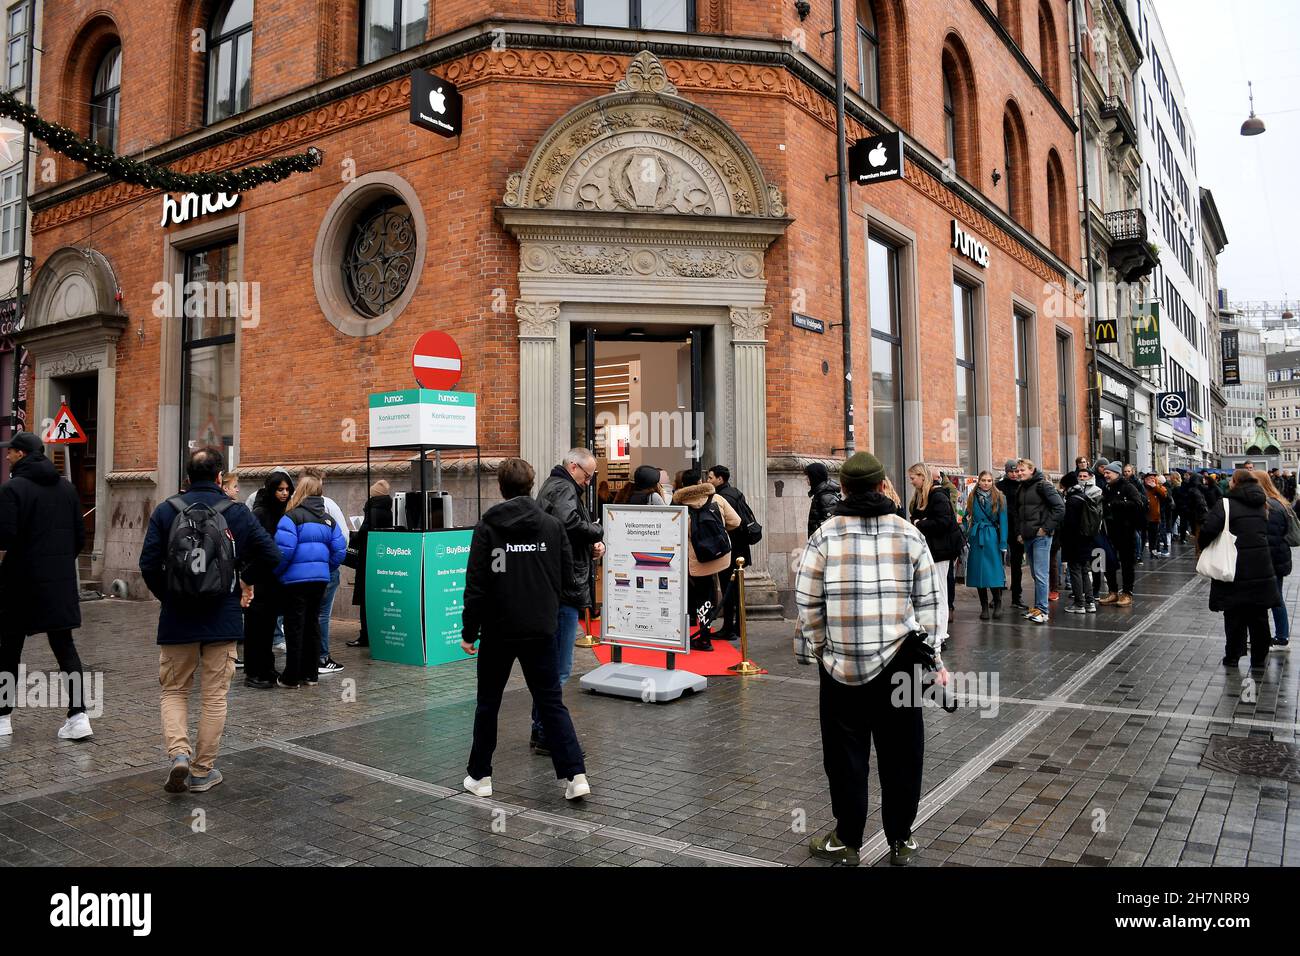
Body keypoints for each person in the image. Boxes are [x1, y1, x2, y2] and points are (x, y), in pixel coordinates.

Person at [795, 451, 946, 867]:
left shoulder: (826, 534)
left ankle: (847, 840)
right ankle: (902, 840)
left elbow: (807, 600)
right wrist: (932, 653)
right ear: (883, 486)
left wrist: (821, 646)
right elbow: (931, 601)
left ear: (842, 488)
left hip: (842, 665)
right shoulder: (908, 533)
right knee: (904, 753)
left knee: (845, 756)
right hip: (903, 661)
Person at [139, 447, 282, 792]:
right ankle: (203, 771)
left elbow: (147, 564)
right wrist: (244, 579)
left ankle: (178, 755)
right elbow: (272, 555)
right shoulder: (235, 513)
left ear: (186, 478)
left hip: (177, 619)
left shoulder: (166, 510)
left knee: (174, 690)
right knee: (214, 697)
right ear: (220, 477)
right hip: (223, 616)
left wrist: (169, 596)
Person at [461, 458, 590, 802]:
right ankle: (575, 775)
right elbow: (566, 576)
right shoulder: (551, 527)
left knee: (488, 703)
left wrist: (468, 632)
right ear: (531, 485)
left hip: (499, 629)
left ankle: (480, 776)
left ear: (500, 487)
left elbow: (476, 585)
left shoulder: (487, 528)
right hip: (540, 627)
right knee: (551, 701)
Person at [0, 432, 92, 740]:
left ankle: (2, 718)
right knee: (65, 648)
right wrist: (58, 563)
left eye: (10, 451)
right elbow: (80, 537)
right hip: (58, 584)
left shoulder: (12, 489)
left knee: (9, 650)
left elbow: (4, 539)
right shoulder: (67, 489)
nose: (7, 456)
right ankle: (79, 716)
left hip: (18, 584)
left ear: (23, 454)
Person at [534, 448, 604, 756]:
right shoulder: (563, 487)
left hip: (557, 582)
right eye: (587, 475)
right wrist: (598, 531)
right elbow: (570, 524)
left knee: (553, 666)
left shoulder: (555, 485)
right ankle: (546, 732)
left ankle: (541, 729)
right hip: (564, 587)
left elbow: (563, 534)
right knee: (559, 668)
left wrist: (587, 549)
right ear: (573, 466)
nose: (588, 482)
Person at [1199, 469, 1280, 670]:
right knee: (1259, 614)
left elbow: (1208, 529)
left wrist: (1204, 545)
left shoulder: (1226, 504)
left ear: (1234, 482)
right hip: (1260, 566)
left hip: (1232, 565)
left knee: (1234, 614)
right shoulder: (1263, 504)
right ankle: (1260, 657)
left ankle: (1233, 655)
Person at [273, 474, 347, 688]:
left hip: (295, 582)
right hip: (320, 581)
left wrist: (279, 572)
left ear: (301, 491)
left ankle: (291, 676)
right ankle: (310, 674)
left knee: (295, 626)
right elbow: (340, 551)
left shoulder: (292, 517)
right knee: (313, 624)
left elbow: (283, 552)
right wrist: (325, 568)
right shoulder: (328, 520)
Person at [673, 471, 741, 651]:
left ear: (682, 486)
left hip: (697, 559)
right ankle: (715, 630)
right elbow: (736, 521)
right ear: (699, 482)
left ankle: (704, 638)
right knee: (715, 593)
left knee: (703, 597)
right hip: (721, 555)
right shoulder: (716, 498)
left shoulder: (678, 506)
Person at [243, 470, 294, 687]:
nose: (284, 494)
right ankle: (254, 672)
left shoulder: (285, 512)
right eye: (279, 489)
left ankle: (267, 667)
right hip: (259, 577)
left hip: (274, 579)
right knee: (256, 628)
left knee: (268, 626)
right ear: (271, 490)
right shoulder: (260, 513)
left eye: (287, 489)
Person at [300, 467, 349, 675]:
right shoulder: (328, 505)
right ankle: (321, 657)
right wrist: (331, 564)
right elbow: (343, 539)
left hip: (300, 572)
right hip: (324, 570)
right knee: (321, 615)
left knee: (302, 615)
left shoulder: (293, 506)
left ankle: (304, 658)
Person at [907, 462, 962, 644]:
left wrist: (920, 523)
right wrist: (920, 520)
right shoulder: (927, 496)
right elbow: (915, 515)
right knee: (937, 591)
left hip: (942, 550)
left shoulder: (937, 496)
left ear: (922, 476)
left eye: (913, 478)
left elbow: (943, 522)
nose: (911, 482)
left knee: (940, 591)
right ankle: (938, 633)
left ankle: (940, 634)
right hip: (937, 549)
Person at [708, 464, 758, 642]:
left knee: (728, 589)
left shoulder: (720, 497)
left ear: (720, 479)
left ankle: (728, 628)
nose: (708, 480)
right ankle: (738, 627)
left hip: (730, 549)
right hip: (741, 549)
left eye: (711, 477)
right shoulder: (735, 492)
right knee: (737, 591)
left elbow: (726, 524)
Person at [1015, 459, 1065, 625]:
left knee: (1041, 573)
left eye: (1023, 470)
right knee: (1037, 574)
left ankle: (1043, 611)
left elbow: (1060, 508)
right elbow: (1018, 513)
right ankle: (1038, 608)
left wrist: (1046, 528)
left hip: (1041, 537)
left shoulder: (1043, 485)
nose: (1019, 473)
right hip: (1028, 536)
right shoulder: (1022, 487)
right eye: (1018, 470)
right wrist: (1020, 533)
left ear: (1032, 470)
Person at [346, 479, 393, 650]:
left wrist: (352, 536)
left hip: (367, 560)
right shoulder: (389, 509)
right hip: (380, 560)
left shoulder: (373, 509)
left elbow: (364, 534)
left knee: (366, 600)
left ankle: (365, 635)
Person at [1097, 459, 1144, 607]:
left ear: (1116, 474)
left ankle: (1127, 593)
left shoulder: (1127, 487)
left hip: (1125, 530)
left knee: (1126, 563)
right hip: (1108, 530)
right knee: (1108, 561)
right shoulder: (1107, 488)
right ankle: (1112, 592)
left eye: (1108, 473)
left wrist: (1115, 504)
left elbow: (1138, 504)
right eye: (1104, 472)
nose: (1105, 475)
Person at [962, 470, 1008, 620]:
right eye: (983, 480)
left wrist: (1003, 542)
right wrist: (969, 532)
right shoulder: (972, 496)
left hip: (992, 536)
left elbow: (1003, 521)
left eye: (989, 480)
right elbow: (965, 516)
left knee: (993, 571)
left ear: (992, 482)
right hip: (976, 537)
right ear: (979, 481)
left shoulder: (999, 497)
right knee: (977, 573)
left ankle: (998, 603)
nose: (986, 483)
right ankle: (984, 608)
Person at [1257, 471, 1294, 647]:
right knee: (1275, 596)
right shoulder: (1279, 502)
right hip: (1278, 557)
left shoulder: (1269, 506)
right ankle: (1280, 635)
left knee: (1275, 598)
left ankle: (1281, 636)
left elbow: (1270, 536)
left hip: (1272, 559)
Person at [1061, 465, 1104, 614]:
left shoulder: (1072, 501)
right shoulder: (1085, 497)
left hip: (1075, 541)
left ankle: (1079, 603)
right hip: (1088, 539)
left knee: (1075, 571)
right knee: (1085, 570)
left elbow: (1070, 525)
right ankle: (1090, 602)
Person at [996, 459, 1026, 609]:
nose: (1014, 474)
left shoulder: (1023, 486)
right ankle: (997, 596)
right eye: (1011, 471)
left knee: (1016, 564)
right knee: (997, 563)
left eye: (1016, 471)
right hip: (1001, 529)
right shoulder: (999, 486)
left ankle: (1016, 597)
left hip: (1017, 530)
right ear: (1006, 472)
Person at [805, 462, 842, 537]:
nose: (806, 479)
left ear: (815, 477)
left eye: (808, 476)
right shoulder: (820, 494)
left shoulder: (826, 496)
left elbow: (830, 526)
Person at [1142, 473, 1169, 559]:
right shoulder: (1143, 488)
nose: (1151, 480)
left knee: (1154, 535)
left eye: (1153, 478)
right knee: (1143, 535)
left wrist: (1155, 487)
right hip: (1144, 516)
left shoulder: (1158, 488)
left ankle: (1153, 550)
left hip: (1154, 516)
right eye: (1149, 478)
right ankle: (1140, 553)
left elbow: (1164, 495)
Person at [1184, 472, 1210, 546]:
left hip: (1196, 515)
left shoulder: (1193, 489)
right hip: (1199, 515)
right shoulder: (1196, 490)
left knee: (1198, 535)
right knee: (1199, 535)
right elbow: (1200, 503)